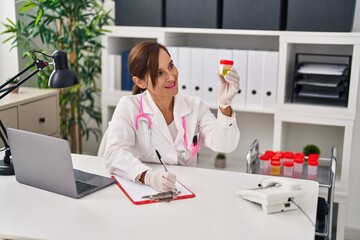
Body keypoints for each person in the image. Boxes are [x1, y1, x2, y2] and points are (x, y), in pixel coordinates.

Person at [103, 41, 240, 192]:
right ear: (140, 82)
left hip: (187, 191)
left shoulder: (194, 106)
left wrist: (224, 104)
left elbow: (225, 144)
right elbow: (113, 154)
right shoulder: (129, 107)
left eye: (170, 66)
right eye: (158, 73)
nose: (171, 76)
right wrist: (147, 176)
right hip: (146, 191)